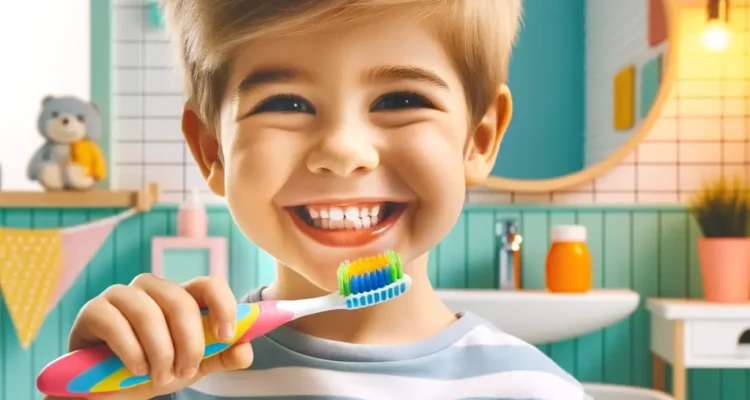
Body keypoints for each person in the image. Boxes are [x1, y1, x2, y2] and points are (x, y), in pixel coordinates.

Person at [50, 1, 592, 399]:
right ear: (212, 149)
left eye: (401, 99)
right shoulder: (162, 383)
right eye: (285, 103)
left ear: (479, 139)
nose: (342, 150)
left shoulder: (536, 391)